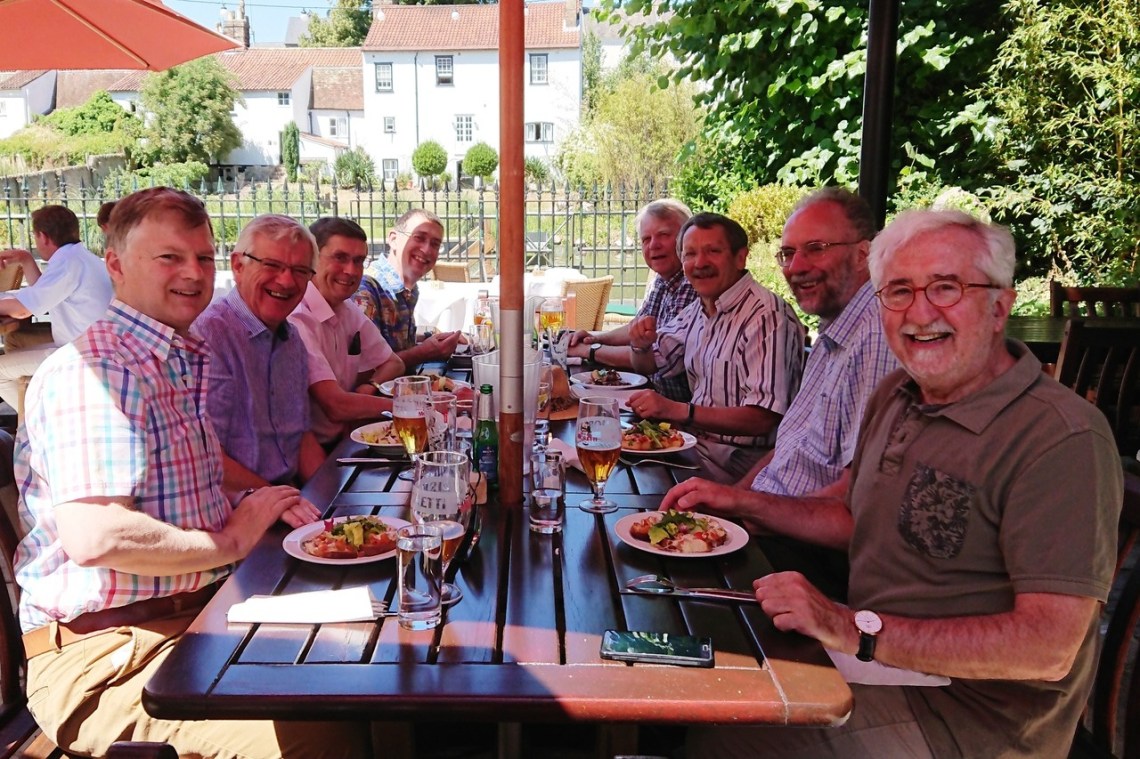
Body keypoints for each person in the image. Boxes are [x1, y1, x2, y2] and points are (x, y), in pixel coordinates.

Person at [689, 209, 1123, 759]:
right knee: (693, 658)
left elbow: (1048, 648)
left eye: (946, 287)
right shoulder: (897, 394)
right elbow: (854, 518)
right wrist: (739, 502)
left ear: (1000, 306)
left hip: (968, 721)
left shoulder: (1060, 436)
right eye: (899, 291)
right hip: (877, 661)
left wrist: (852, 628)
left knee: (712, 729)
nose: (919, 312)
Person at [13, 187, 370, 757]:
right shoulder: (96, 369)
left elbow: (188, 495)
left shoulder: (175, 358)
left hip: (197, 617)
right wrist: (232, 539)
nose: (193, 273)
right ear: (115, 264)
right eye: (170, 257)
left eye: (202, 257)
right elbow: (96, 536)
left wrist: (266, 506)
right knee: (319, 732)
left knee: (363, 667)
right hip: (107, 655)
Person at [661, 188, 899, 597]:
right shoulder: (835, 331)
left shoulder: (875, 338)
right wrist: (735, 499)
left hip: (802, 557)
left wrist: (746, 512)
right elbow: (788, 447)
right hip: (768, 522)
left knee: (651, 580)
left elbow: (853, 501)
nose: (796, 267)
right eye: (788, 254)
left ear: (864, 254)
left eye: (816, 248)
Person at [626, 212, 805, 483]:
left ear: (740, 257)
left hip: (739, 464)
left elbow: (763, 418)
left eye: (713, 251)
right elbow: (652, 363)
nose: (700, 263)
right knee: (607, 451)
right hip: (694, 447)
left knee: (624, 483)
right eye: (690, 254)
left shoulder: (766, 316)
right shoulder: (700, 307)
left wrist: (677, 410)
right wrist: (640, 347)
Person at [193, 214, 326, 493]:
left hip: (286, 495)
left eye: (300, 270)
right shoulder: (210, 336)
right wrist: (284, 503)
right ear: (238, 265)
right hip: (235, 505)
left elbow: (300, 437)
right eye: (272, 265)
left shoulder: (292, 339)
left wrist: (331, 499)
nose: (287, 281)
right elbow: (208, 459)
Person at [567, 198, 697, 401]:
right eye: (646, 239)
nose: (653, 245)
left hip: (677, 407)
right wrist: (596, 338)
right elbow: (637, 329)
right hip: (651, 396)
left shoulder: (691, 284)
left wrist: (589, 350)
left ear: (686, 240)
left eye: (663, 235)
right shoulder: (663, 280)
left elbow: (653, 357)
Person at [290, 216, 404, 447]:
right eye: (340, 258)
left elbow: (394, 363)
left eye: (358, 261)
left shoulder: (346, 308)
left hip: (346, 439)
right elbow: (336, 405)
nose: (351, 271)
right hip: (312, 452)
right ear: (311, 259)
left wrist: (370, 386)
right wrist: (410, 409)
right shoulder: (297, 317)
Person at [0, 205, 113, 409]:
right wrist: (26, 259)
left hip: (84, 354)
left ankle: (39, 420)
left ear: (43, 237)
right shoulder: (78, 257)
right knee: (15, 341)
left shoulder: (68, 262)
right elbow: (42, 295)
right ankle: (47, 399)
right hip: (92, 346)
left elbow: (23, 309)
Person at [353, 208, 461, 367]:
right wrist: (424, 352)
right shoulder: (366, 291)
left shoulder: (409, 290)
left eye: (435, 244)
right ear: (393, 239)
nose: (426, 249)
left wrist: (432, 339)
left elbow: (394, 344)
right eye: (419, 238)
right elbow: (364, 367)